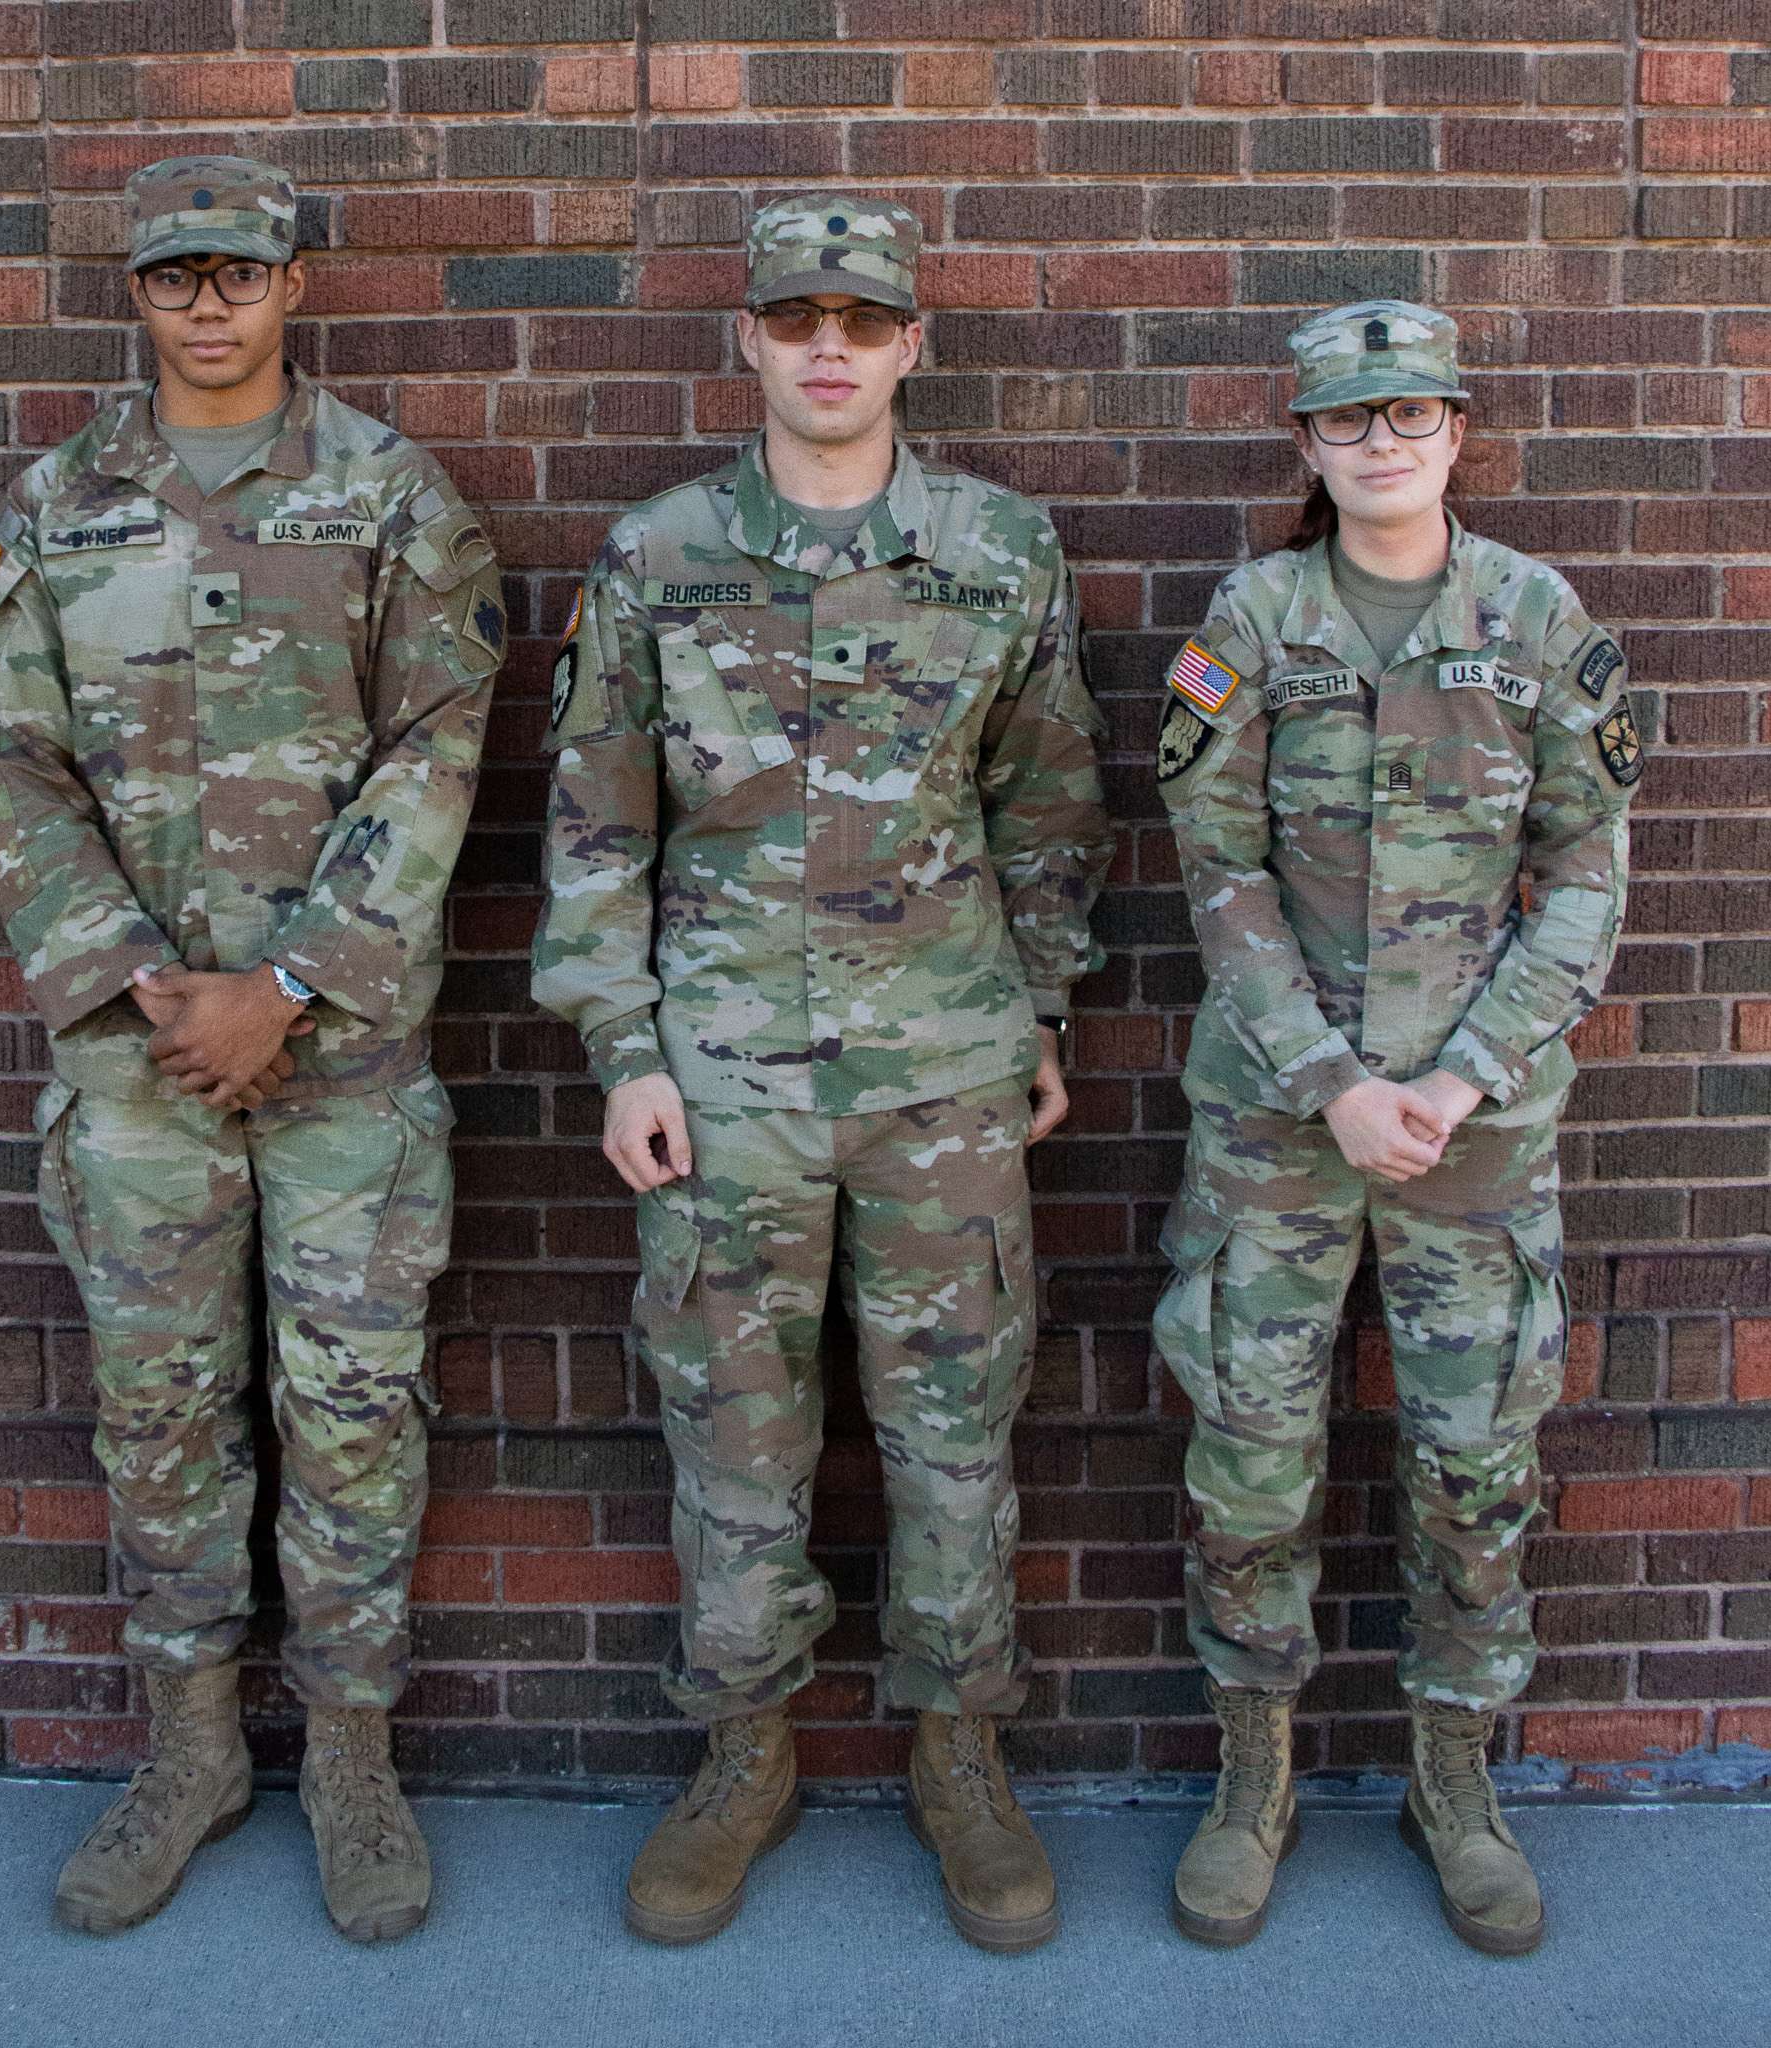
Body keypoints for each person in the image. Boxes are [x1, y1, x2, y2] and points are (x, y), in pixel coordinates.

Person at [530, 196, 1114, 1953]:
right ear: (754, 342)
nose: (831, 347)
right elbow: (594, 825)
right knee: (733, 1438)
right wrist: (623, 1050)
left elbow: (1054, 810)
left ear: (914, 343)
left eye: (864, 319)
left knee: (954, 1439)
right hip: (723, 1091)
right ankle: (745, 1752)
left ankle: (959, 1754)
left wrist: (1045, 1021)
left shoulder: (1005, 551)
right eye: (797, 319)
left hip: (943, 1079)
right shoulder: (657, 557)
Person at [0, 155, 504, 1943]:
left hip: (339, 1067)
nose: (208, 301)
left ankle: (351, 1756)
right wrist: (142, 987)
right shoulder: (49, 510)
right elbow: (13, 768)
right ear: (138, 292)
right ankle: (190, 1749)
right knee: (160, 1415)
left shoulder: (393, 498)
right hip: (138, 1075)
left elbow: (437, 748)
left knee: (352, 1417)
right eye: (175, 273)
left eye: (238, 270)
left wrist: (293, 984)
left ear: (292, 284)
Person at [1153, 300, 1640, 1956]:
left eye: (1410, 416)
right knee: (1251, 1457)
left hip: (1477, 1135)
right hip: (1282, 1134)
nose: (1380, 445)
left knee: (1474, 1463)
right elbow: (1214, 876)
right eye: (1348, 422)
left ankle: (1453, 1778)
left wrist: (1455, 1077)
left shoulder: (1537, 616)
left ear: (1456, 432)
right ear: (1305, 443)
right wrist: (1333, 1082)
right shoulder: (1254, 619)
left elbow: (1585, 876)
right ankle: (1253, 1775)